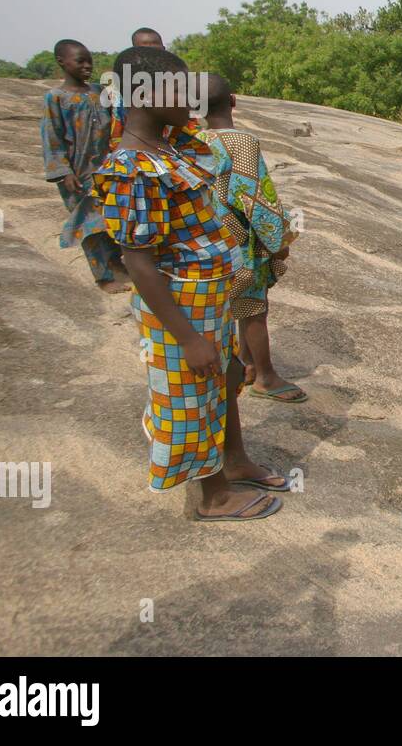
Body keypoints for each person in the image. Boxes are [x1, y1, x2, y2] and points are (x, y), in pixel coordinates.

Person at [93, 46, 288, 520]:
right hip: (179, 303)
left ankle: (235, 459)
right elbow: (138, 262)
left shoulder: (175, 147)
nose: (191, 99)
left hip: (211, 295)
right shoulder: (129, 168)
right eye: (180, 88)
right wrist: (187, 337)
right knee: (189, 394)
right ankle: (214, 495)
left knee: (226, 378)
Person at [195, 74, 306, 403]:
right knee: (254, 309)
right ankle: (266, 377)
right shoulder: (241, 143)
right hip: (240, 244)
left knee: (235, 308)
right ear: (232, 100)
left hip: (210, 241)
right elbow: (257, 199)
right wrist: (280, 240)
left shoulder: (194, 140)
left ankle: (244, 364)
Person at [40, 39, 129, 292]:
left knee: (113, 219)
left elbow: (117, 124)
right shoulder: (56, 97)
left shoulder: (99, 92)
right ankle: (104, 277)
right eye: (80, 61)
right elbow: (52, 136)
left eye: (89, 60)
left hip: (107, 169)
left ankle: (116, 264)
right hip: (78, 175)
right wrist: (63, 171)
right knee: (90, 226)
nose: (87, 65)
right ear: (62, 62)